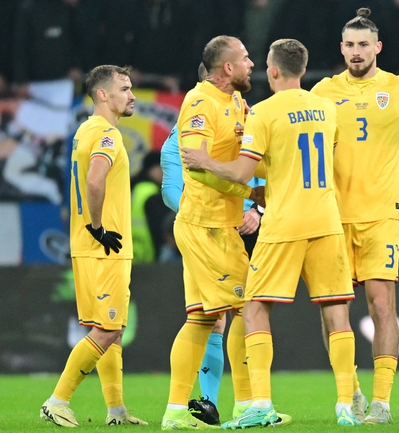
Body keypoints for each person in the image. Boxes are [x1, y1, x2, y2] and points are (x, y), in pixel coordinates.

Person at [181, 38, 357, 427]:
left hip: (284, 223)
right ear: (303, 70)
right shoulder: (326, 109)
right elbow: (305, 160)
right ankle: (347, 403)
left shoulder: (261, 112)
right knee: (336, 311)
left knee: (255, 307)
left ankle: (259, 402)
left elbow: (242, 172)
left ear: (273, 70)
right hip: (326, 221)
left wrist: (206, 159)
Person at [309, 7, 399, 424]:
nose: (355, 51)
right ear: (342, 48)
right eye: (349, 44)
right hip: (331, 217)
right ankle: (351, 391)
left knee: (382, 303)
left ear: (378, 47)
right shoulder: (322, 93)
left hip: (382, 216)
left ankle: (382, 401)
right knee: (333, 310)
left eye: (363, 44)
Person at [161, 35, 263, 430]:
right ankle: (249, 406)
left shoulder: (236, 102)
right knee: (247, 307)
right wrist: (248, 192)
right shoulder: (200, 103)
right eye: (245, 58)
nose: (251, 63)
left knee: (203, 319)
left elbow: (246, 157)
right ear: (227, 68)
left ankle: (177, 413)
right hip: (204, 226)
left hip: (222, 227)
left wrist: (260, 195)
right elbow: (198, 166)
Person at [40, 65, 146, 427]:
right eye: (125, 88)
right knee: (108, 329)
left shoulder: (84, 130)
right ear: (103, 94)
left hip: (85, 247)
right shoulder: (107, 135)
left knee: (108, 329)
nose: (131, 95)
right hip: (105, 247)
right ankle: (57, 400)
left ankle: (116, 410)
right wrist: (99, 228)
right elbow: (95, 180)